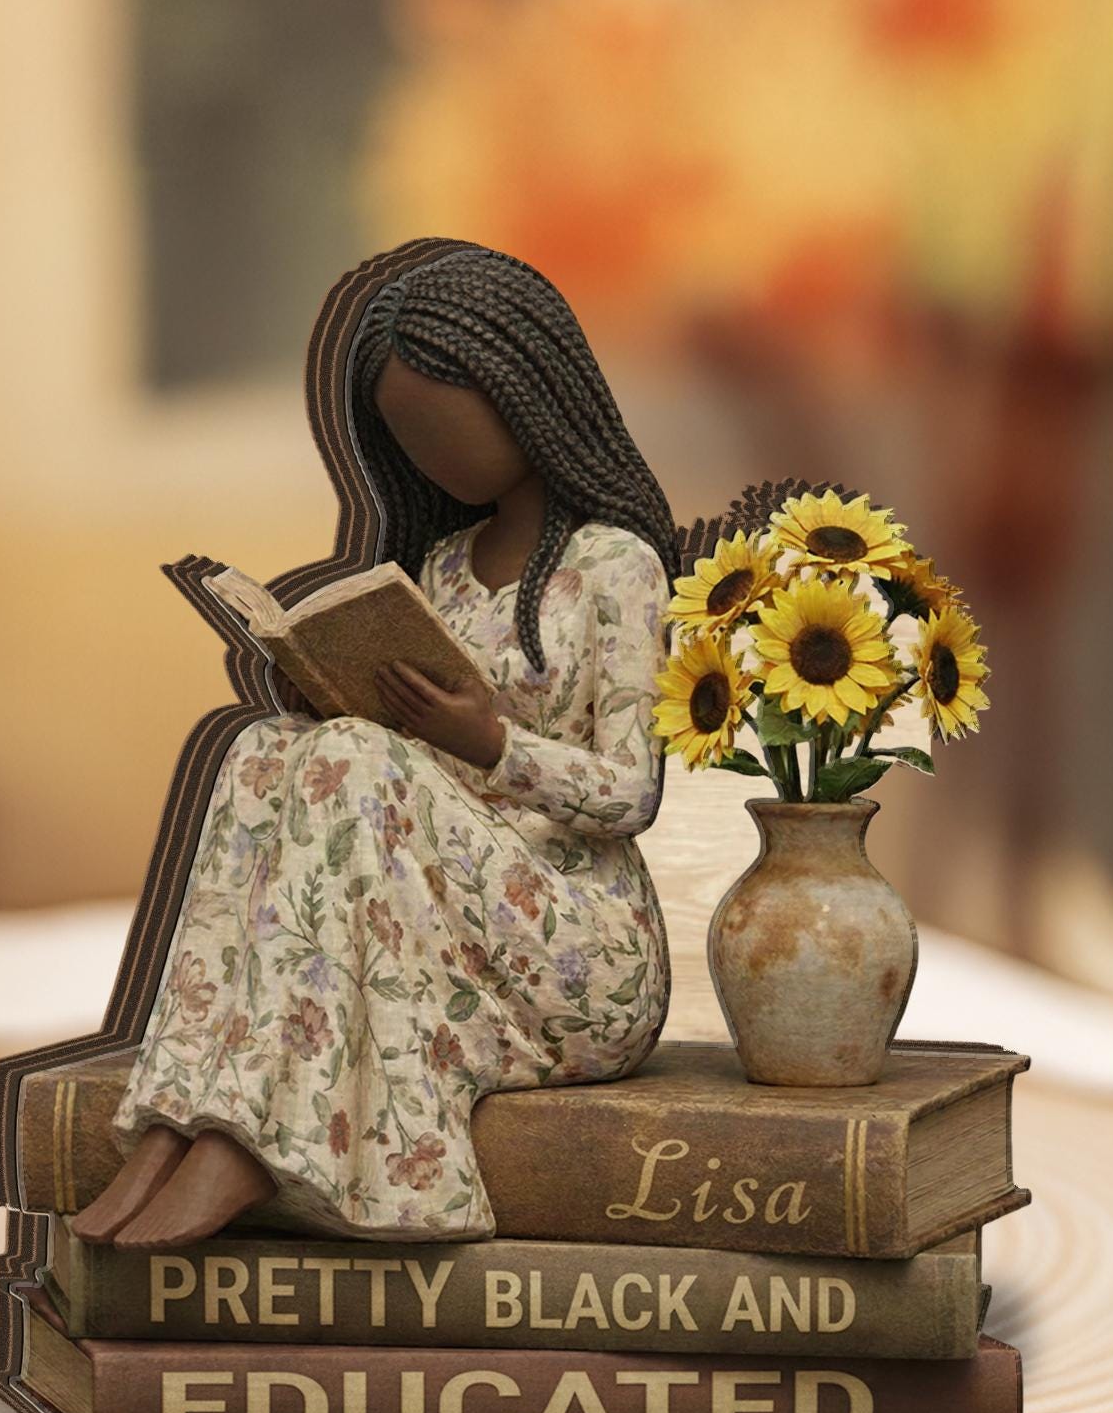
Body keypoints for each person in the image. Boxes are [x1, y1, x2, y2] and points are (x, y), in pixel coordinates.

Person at [74, 246, 679, 1248]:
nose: (435, 460)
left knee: (357, 761)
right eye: (411, 440)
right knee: (264, 751)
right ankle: (186, 1108)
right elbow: (395, 779)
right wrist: (325, 695)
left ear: (526, 391)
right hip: (443, 912)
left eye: (450, 427)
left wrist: (485, 739)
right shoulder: (436, 567)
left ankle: (251, 1139)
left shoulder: (615, 566)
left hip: (575, 947)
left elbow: (630, 792)